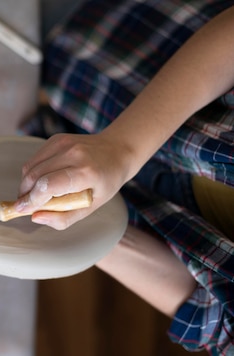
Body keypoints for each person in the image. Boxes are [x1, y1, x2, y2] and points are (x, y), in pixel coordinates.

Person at [16, 0, 234, 354]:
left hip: (61, 106)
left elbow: (211, 316)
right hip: (129, 28)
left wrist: (86, 230)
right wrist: (121, 148)